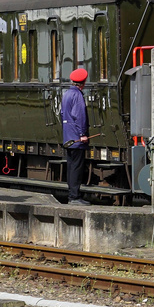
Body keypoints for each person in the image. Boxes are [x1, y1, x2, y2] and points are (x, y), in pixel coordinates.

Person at [60, 68, 91, 206]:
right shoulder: (77, 95)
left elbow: (62, 114)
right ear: (83, 83)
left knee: (71, 166)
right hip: (77, 138)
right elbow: (80, 116)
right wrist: (82, 134)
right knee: (77, 167)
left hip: (68, 136)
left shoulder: (67, 94)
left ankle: (72, 195)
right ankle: (75, 197)